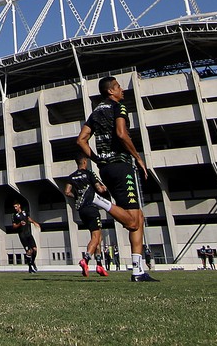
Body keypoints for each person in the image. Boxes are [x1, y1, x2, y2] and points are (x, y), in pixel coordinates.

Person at [77, 77, 158, 283]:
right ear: (111, 91)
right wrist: (138, 158)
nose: (122, 90)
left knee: (137, 218)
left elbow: (81, 140)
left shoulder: (95, 112)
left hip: (106, 168)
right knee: (132, 222)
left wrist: (97, 159)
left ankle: (138, 270)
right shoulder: (118, 107)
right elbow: (121, 134)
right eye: (119, 87)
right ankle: (98, 200)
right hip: (121, 166)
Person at [63, 153, 109, 277]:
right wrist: (104, 189)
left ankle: (99, 265)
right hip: (92, 207)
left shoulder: (71, 177)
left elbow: (67, 192)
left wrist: (77, 196)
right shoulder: (89, 174)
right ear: (84, 162)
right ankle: (86, 259)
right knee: (96, 236)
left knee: (98, 237)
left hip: (82, 210)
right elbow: (99, 189)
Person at [12, 201, 40, 273]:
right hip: (22, 235)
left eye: (16, 206)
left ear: (19, 206)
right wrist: (19, 224)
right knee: (29, 251)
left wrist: (34, 222)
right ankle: (30, 267)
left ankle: (32, 262)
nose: (15, 208)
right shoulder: (14, 215)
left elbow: (28, 218)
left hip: (28, 234)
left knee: (35, 249)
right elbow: (14, 226)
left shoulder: (24, 212)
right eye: (14, 207)